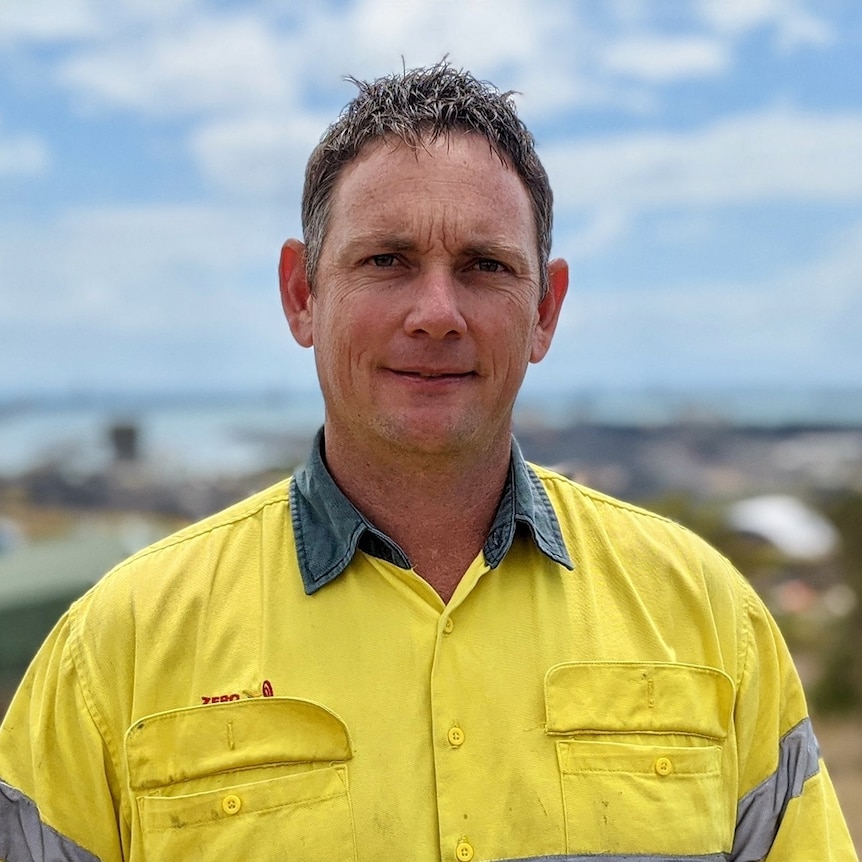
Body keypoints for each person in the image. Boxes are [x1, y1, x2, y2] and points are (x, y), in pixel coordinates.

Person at [0, 62, 856, 862]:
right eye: (387, 261)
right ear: (302, 294)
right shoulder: (116, 648)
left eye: (485, 266)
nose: (437, 313)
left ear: (545, 311)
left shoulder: (708, 619)